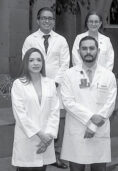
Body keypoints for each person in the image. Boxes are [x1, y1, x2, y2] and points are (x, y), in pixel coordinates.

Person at [22, 7, 70, 169]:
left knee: (53, 120)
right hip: (35, 86)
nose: (47, 21)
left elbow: (65, 64)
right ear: (38, 20)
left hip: (55, 87)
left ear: (54, 21)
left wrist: (54, 83)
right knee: (36, 119)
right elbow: (27, 60)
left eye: (50, 18)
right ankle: (31, 156)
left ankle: (52, 156)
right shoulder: (30, 39)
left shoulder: (61, 40)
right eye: (44, 18)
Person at [60, 36, 117, 171]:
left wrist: (93, 125)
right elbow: (68, 102)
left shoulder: (108, 75)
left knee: (99, 168)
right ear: (79, 51)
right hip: (77, 130)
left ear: (98, 50)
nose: (88, 51)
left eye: (92, 48)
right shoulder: (69, 74)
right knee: (76, 167)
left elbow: (110, 103)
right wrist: (92, 116)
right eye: (84, 48)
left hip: (99, 129)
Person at [11, 48, 60, 171]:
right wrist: (40, 135)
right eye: (31, 60)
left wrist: (48, 136)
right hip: (27, 139)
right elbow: (20, 115)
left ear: (43, 63)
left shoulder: (50, 83)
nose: (36, 63)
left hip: (46, 140)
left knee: (42, 168)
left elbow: (54, 111)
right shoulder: (18, 84)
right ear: (26, 63)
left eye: (39, 60)